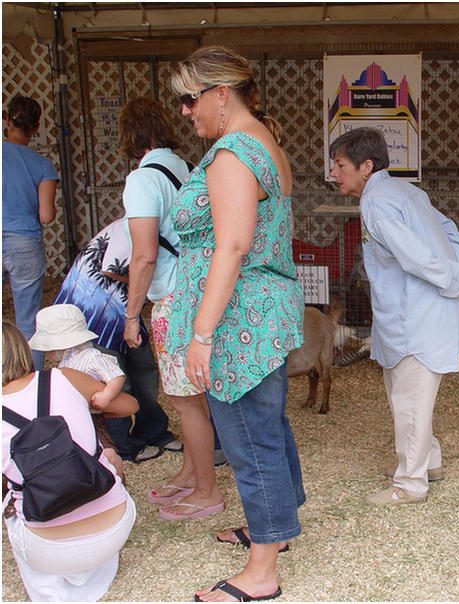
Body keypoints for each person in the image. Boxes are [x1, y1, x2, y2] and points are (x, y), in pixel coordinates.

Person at [168, 45, 305, 602]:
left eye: (188, 98)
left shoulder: (232, 153)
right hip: (260, 313)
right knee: (266, 426)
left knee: (249, 437)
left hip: (237, 321)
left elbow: (231, 245)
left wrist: (200, 335)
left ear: (219, 94)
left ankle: (261, 572)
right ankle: (273, 528)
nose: (184, 111)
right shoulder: (263, 144)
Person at [328, 126, 459, 505]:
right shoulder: (403, 191)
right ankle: (426, 461)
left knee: (410, 400)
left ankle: (410, 485)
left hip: (417, 314)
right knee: (408, 395)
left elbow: (417, 257)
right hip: (414, 310)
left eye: (339, 165)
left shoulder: (379, 202)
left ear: (366, 166)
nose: (333, 173)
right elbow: (450, 231)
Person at [117, 96, 223, 517]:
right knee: (194, 395)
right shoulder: (184, 167)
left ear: (129, 135)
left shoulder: (143, 180)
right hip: (200, 287)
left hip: (173, 298)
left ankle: (206, 490)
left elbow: (143, 256)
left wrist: (131, 314)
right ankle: (190, 472)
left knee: (184, 398)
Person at [2, 321, 138, 602]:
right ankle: (89, 569)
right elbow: (129, 406)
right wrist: (89, 405)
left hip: (49, 551)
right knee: (106, 456)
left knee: (13, 502)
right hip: (115, 529)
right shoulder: (65, 377)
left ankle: (52, 589)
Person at [54, 218, 181, 463]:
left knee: (144, 368)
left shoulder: (159, 226)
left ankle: (153, 430)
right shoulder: (136, 224)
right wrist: (152, 284)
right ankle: (122, 444)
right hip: (96, 307)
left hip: (124, 306)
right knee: (112, 375)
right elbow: (112, 268)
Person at [2, 95, 60, 371]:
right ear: (36, 128)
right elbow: (46, 216)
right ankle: (30, 384)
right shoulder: (42, 165)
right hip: (24, 242)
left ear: (7, 120)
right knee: (28, 322)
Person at [28, 303, 126, 453]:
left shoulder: (91, 357)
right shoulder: (66, 361)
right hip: (77, 412)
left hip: (94, 414)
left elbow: (116, 375)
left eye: (48, 350)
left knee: (101, 444)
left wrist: (106, 395)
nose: (46, 354)